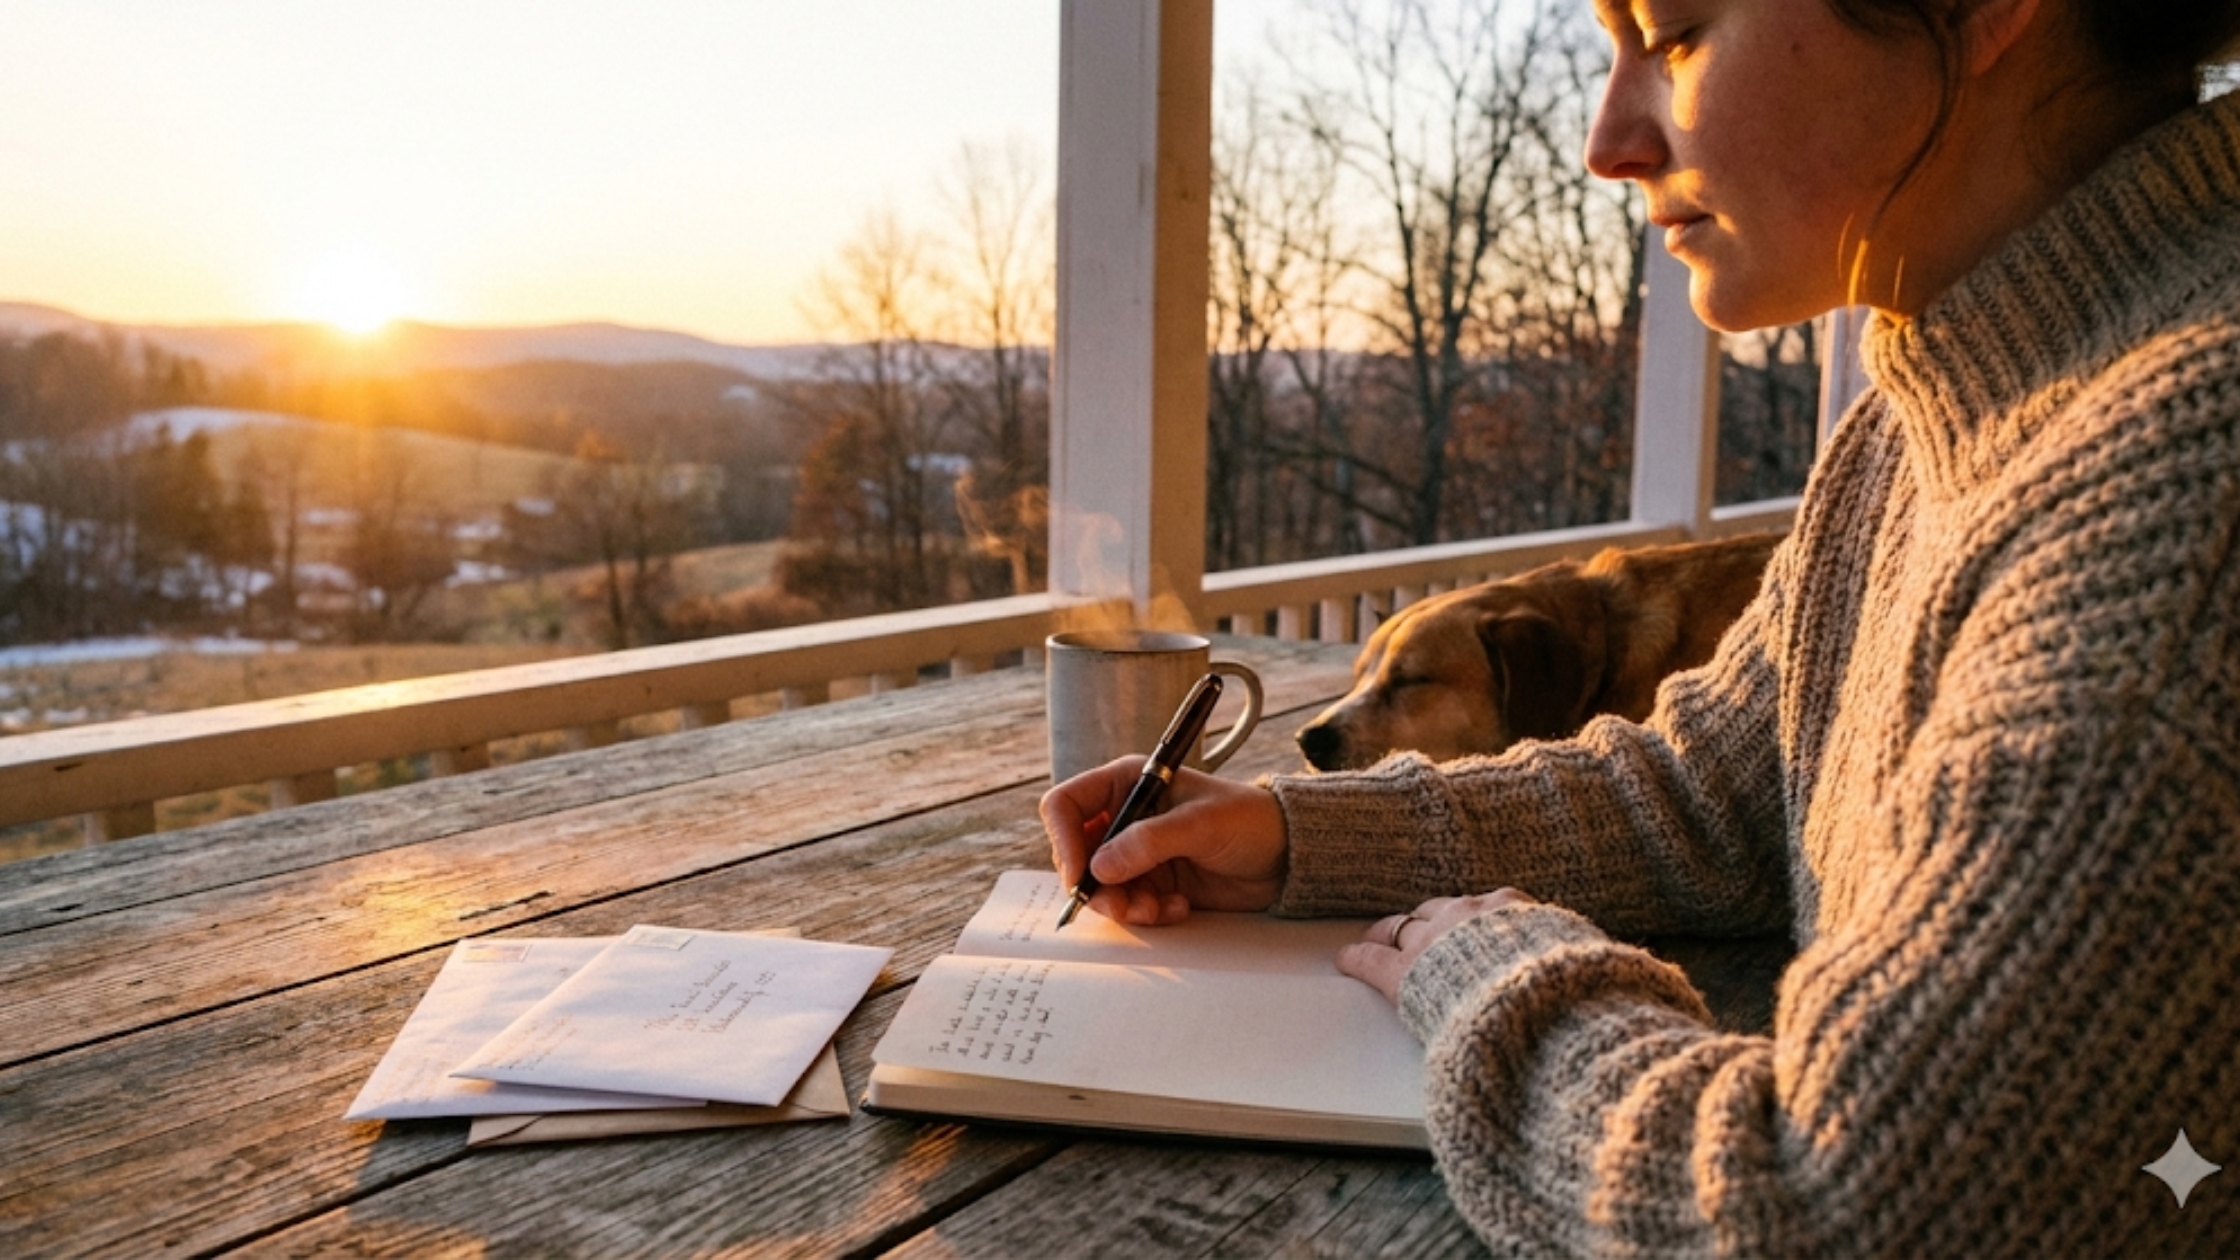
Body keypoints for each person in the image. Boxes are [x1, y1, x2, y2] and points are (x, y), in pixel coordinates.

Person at [1042, 1, 2240, 1254]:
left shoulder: (2181, 481)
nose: (1606, 138)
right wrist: (1298, 838)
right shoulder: (1928, 409)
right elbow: (1709, 796)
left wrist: (1498, 984)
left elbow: (1850, 1211)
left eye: (1669, 34)